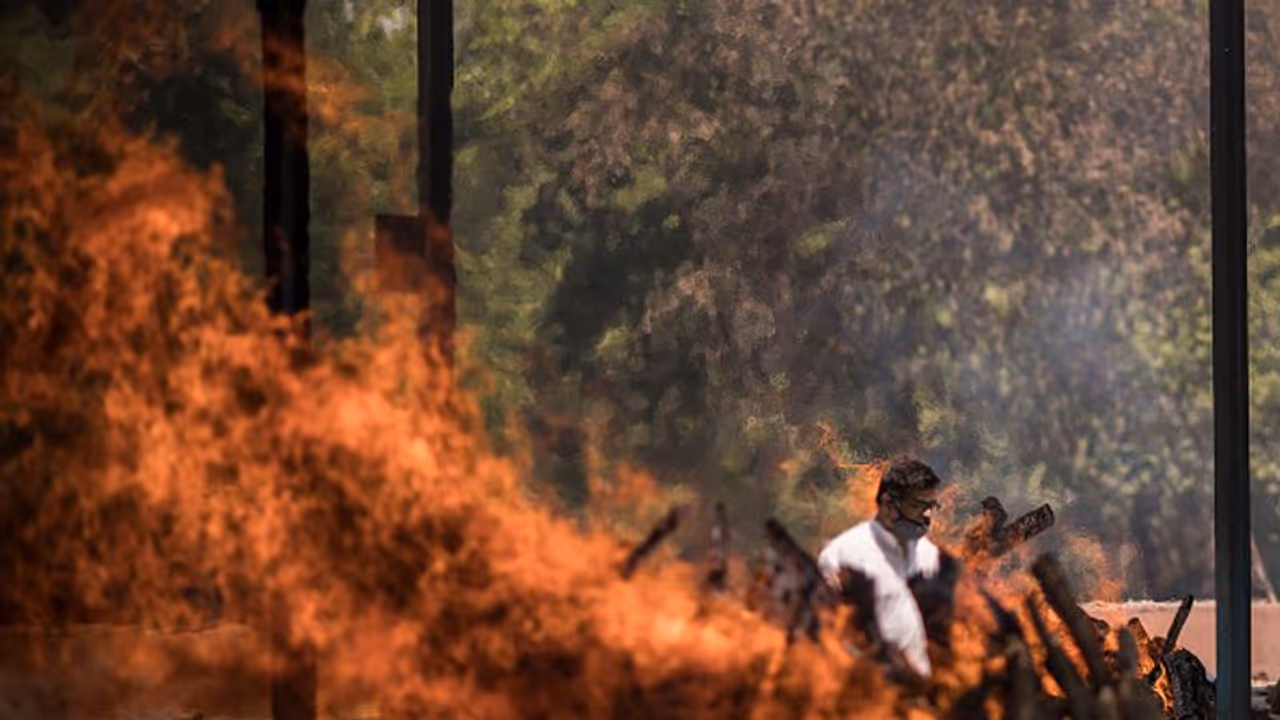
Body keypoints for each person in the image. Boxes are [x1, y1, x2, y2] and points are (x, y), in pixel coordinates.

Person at [817, 458, 944, 680]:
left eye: (931, 507)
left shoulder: (930, 557)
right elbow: (826, 634)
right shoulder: (843, 556)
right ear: (888, 504)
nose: (927, 516)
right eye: (918, 506)